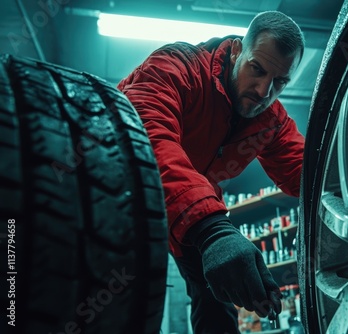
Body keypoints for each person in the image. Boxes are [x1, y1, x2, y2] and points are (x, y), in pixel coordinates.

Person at [118, 10, 305, 333]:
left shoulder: (271, 119)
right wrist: (213, 230)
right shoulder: (174, 67)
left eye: (279, 82)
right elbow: (147, 139)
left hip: (191, 205)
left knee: (218, 300)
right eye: (256, 69)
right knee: (117, 299)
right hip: (123, 196)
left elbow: (308, 176)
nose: (263, 91)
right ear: (236, 51)